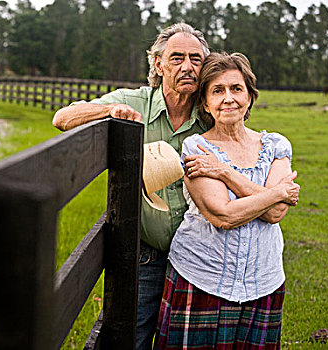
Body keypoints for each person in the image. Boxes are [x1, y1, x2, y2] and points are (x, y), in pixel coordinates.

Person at [53, 23, 211, 349]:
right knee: (125, 339)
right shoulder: (134, 101)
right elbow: (63, 118)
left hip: (198, 256)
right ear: (158, 64)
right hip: (147, 255)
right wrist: (109, 111)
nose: (187, 66)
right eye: (177, 57)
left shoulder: (211, 112)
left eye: (196, 59)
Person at [155, 52, 300, 349]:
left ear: (250, 96)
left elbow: (276, 214)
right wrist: (278, 192)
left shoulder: (275, 145)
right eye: (217, 91)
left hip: (263, 280)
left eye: (236, 88)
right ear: (205, 103)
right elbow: (222, 216)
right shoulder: (197, 148)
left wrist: (224, 172)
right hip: (201, 276)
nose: (228, 98)